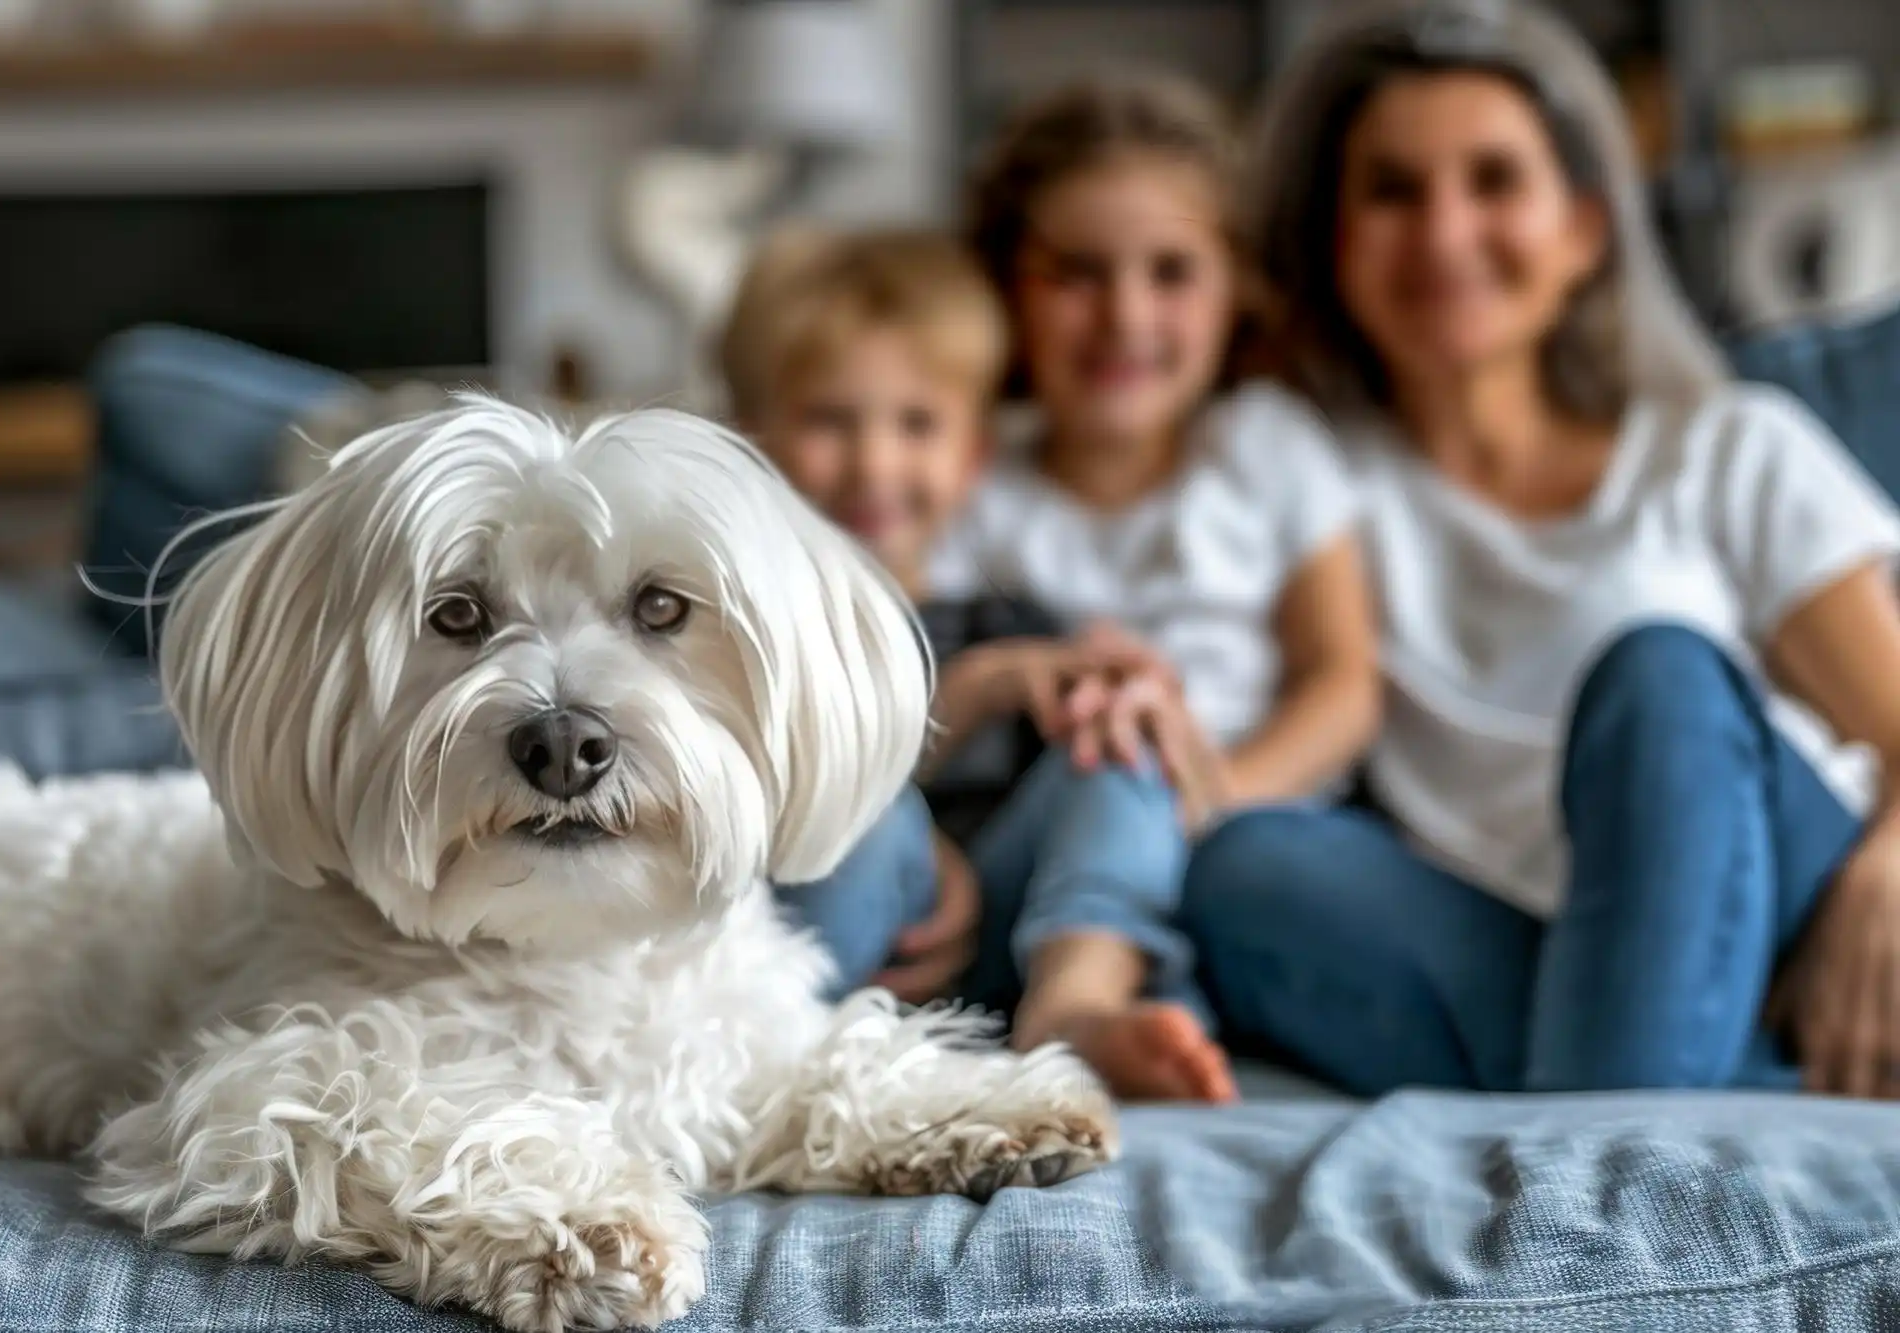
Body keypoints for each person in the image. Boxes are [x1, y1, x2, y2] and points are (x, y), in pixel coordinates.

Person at [1170, 0, 1900, 1099]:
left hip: (1779, 917)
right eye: (1391, 191)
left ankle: (1610, 1141)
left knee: (1658, 669)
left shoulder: (1725, 444)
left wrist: (1889, 870)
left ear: (1583, 232)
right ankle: (1693, 1090)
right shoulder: (1298, 481)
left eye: (1494, 181)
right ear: (1332, 239)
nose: (1443, 233)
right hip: (1521, 939)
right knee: (1246, 864)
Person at [938, 75, 1381, 1097]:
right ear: (1005, 285)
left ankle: (1146, 1005)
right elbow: (915, 711)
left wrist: (1204, 795)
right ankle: (1072, 1009)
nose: (1125, 315)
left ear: (1236, 289)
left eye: (1171, 271)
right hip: (1025, 880)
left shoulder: (1266, 445)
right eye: (1076, 274)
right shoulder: (968, 480)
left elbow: (1343, 683)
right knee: (1119, 729)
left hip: (1241, 836)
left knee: (1137, 739)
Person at [722, 226, 1240, 1102]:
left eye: (917, 424)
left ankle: (1075, 1006)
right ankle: (774, 1061)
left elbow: (1148, 806)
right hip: (824, 962)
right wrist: (968, 699)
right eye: (829, 421)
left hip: (1007, 953)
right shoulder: (745, 631)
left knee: (1115, 750)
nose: (876, 462)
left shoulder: (1012, 625)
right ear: (752, 442)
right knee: (866, 816)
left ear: (972, 457)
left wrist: (1133, 704)